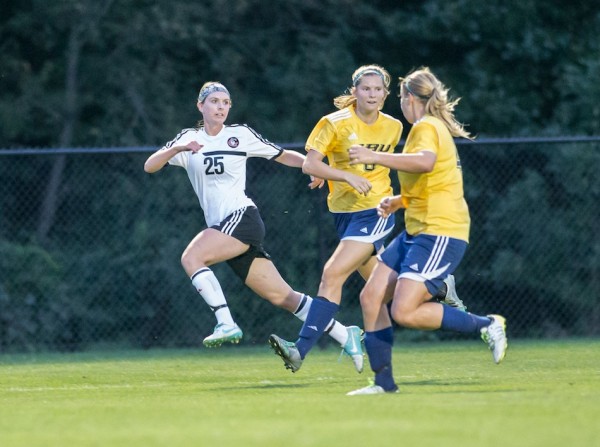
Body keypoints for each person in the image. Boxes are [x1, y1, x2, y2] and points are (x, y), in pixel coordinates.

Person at [144, 81, 364, 371]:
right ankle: (343, 332)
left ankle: (225, 322)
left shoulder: (240, 135)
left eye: (225, 102)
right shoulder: (189, 139)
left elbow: (282, 154)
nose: (221, 107)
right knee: (283, 297)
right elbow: (150, 165)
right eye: (214, 102)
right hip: (224, 227)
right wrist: (178, 149)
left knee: (192, 257)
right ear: (201, 106)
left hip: (242, 218)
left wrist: (313, 168)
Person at [268, 65, 465, 374]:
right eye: (366, 89)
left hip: (375, 210)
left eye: (378, 89)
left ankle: (299, 349)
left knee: (332, 274)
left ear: (386, 94)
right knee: (387, 291)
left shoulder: (394, 126)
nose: (372, 94)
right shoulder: (334, 123)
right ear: (355, 91)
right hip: (343, 214)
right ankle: (438, 287)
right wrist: (335, 175)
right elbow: (311, 164)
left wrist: (345, 175)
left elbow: (391, 163)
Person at [344, 67, 508, 395]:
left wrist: (373, 155)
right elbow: (433, 182)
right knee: (371, 296)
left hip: (440, 232)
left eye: (401, 97)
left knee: (404, 310)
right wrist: (398, 200)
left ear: (409, 98)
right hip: (416, 230)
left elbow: (425, 163)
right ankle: (384, 383)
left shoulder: (426, 126)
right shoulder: (428, 128)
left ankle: (487, 325)